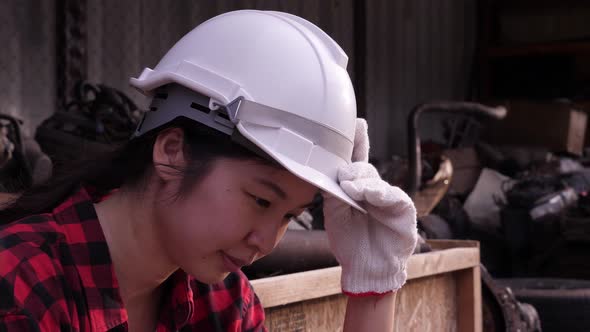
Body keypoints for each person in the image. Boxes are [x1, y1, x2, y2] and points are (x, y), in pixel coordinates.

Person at [0, 10, 417, 332]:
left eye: (289, 216)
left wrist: (372, 290)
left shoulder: (222, 304)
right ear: (172, 151)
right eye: (262, 200)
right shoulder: (23, 285)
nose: (266, 242)